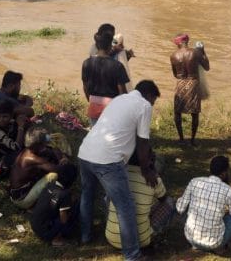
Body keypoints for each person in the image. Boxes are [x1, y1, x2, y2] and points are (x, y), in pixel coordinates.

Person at [78, 80, 160, 261]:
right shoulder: (144, 105)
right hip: (108, 160)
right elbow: (143, 141)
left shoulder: (119, 99)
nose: (153, 105)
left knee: (87, 195)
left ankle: (85, 237)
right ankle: (132, 255)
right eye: (154, 100)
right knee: (126, 206)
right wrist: (146, 169)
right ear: (150, 95)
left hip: (85, 152)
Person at [176, 155, 231, 253]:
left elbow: (179, 208)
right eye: (227, 171)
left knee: (191, 210)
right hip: (214, 243)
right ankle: (218, 246)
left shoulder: (194, 182)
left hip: (191, 239)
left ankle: (198, 244)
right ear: (224, 173)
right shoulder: (228, 191)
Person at [105, 150, 173, 250]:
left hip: (111, 238)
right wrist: (153, 171)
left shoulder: (118, 174)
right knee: (170, 202)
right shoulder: (153, 178)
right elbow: (164, 199)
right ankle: (153, 236)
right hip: (141, 241)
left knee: (107, 197)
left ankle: (113, 224)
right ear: (151, 161)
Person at [9, 128, 68, 209]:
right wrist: (61, 157)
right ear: (40, 145)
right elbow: (58, 169)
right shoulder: (33, 159)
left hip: (17, 193)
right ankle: (36, 204)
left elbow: (46, 153)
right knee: (53, 176)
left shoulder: (27, 151)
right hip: (21, 200)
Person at [81, 31, 129, 126]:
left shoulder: (86, 63)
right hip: (112, 108)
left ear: (96, 46)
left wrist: (92, 101)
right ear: (109, 47)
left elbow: (85, 87)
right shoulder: (118, 66)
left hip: (93, 106)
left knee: (95, 134)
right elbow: (122, 92)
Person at [170, 33, 210, 146]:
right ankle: (192, 141)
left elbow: (175, 74)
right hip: (193, 84)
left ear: (177, 43)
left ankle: (181, 139)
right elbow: (207, 67)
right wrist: (203, 51)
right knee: (195, 113)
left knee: (177, 112)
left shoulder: (173, 56)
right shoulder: (195, 52)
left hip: (180, 83)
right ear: (187, 41)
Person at [29, 163, 79, 247]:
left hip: (35, 224)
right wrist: (69, 207)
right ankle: (57, 239)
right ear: (71, 180)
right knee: (76, 208)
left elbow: (52, 200)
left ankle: (52, 233)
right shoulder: (65, 194)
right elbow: (63, 219)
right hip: (45, 231)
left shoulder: (50, 184)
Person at [0, 100, 27, 176]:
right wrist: (21, 127)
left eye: (5, 116)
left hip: (4, 156)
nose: (1, 119)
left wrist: (23, 121)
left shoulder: (10, 123)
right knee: (26, 155)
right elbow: (16, 147)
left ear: (11, 116)